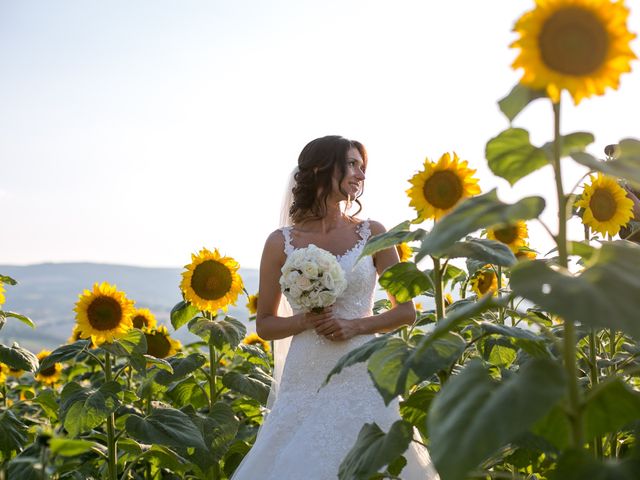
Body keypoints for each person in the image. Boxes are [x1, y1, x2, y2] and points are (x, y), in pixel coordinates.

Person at [230, 135, 439, 479]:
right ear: (321, 169)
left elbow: (406, 312)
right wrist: (306, 321)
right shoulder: (280, 242)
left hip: (362, 370)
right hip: (306, 372)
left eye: (362, 166)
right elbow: (265, 324)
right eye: (352, 164)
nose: (361, 174)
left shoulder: (375, 233)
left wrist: (355, 326)